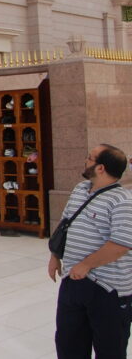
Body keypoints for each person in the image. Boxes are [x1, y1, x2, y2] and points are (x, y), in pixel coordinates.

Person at [49, 144, 132, 358]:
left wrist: (86, 265)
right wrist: (55, 256)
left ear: (101, 168)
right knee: (69, 344)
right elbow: (65, 224)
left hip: (108, 289)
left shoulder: (123, 201)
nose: (85, 161)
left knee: (109, 350)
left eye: (90, 158)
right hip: (72, 282)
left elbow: (120, 246)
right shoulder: (80, 189)